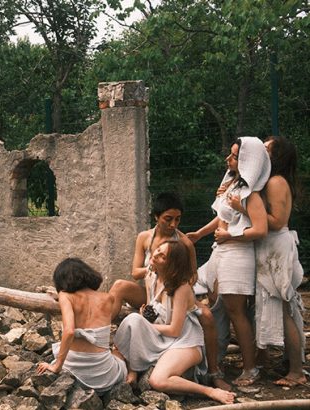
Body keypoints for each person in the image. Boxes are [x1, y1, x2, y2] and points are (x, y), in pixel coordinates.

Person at [109, 192, 229, 390]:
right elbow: (135, 272)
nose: (173, 224)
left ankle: (213, 371)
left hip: (176, 291)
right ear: (156, 216)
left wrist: (173, 280)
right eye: (168, 219)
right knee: (119, 286)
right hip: (151, 290)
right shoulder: (145, 238)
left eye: (178, 219)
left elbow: (192, 277)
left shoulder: (184, 243)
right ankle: (103, 336)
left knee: (206, 314)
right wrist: (155, 270)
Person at [187, 137, 269, 386]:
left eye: (234, 156)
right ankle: (217, 362)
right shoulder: (232, 188)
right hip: (220, 252)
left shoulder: (251, 194)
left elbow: (261, 229)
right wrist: (200, 234)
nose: (228, 159)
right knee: (215, 306)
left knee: (236, 311)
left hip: (237, 254)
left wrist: (230, 234)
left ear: (246, 160)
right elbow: (222, 218)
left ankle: (251, 368)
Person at [114, 241, 235, 404]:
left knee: (157, 381)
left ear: (172, 265)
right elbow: (153, 311)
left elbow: (175, 330)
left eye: (162, 256)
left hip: (184, 341)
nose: (155, 256)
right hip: (161, 336)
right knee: (133, 320)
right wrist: (146, 314)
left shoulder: (181, 287)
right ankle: (133, 371)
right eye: (157, 250)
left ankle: (209, 391)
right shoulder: (151, 276)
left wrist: (146, 325)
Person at [254, 136, 305, 387]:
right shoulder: (272, 181)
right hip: (270, 246)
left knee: (285, 308)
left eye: (266, 148)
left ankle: (296, 372)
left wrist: (245, 208)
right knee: (265, 303)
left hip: (277, 246)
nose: (261, 151)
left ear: (276, 156)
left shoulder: (275, 182)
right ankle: (264, 360)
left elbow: (275, 221)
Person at [36, 258, 127, 393]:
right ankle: (133, 374)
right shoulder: (108, 298)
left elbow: (69, 331)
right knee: (118, 352)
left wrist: (56, 367)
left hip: (73, 373)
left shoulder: (65, 296)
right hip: (104, 377)